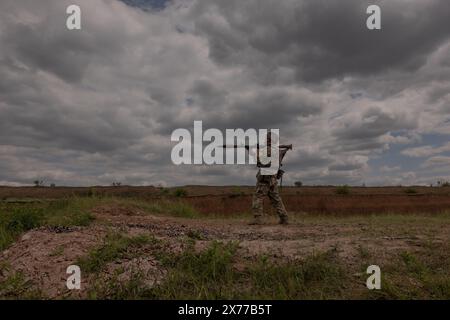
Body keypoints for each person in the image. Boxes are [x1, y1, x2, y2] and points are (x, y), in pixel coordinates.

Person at [248, 132, 290, 225]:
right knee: (276, 199)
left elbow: (260, 162)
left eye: (266, 138)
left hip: (265, 178)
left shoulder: (267, 150)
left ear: (269, 140)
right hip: (273, 179)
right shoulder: (277, 150)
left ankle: (257, 218)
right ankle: (284, 218)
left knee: (258, 197)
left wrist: (252, 151)